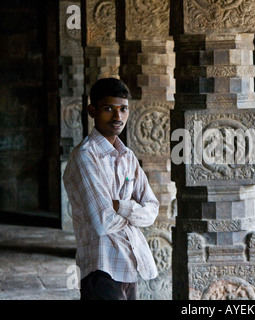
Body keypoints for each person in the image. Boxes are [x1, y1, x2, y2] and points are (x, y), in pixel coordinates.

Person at [63, 78, 160, 300]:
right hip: (101, 268)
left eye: (123, 109)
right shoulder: (85, 157)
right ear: (92, 111)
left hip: (131, 264)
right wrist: (134, 211)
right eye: (108, 109)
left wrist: (119, 205)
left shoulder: (128, 156)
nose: (118, 117)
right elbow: (103, 222)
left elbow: (152, 210)